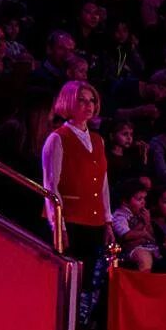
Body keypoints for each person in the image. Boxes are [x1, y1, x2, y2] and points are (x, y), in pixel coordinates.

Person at [42, 80, 114, 280]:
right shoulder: (58, 138)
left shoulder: (98, 140)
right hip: (71, 220)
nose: (88, 105)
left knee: (89, 279)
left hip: (94, 221)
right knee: (69, 278)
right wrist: (59, 226)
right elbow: (50, 186)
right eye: (82, 100)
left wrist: (108, 221)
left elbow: (103, 183)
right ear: (69, 103)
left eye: (91, 101)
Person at [111, 179, 159, 271]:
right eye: (139, 199)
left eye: (144, 198)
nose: (143, 202)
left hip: (145, 246)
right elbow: (126, 235)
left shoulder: (139, 214)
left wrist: (147, 222)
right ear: (125, 202)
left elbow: (151, 235)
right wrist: (143, 229)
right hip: (125, 251)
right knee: (144, 257)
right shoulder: (119, 215)